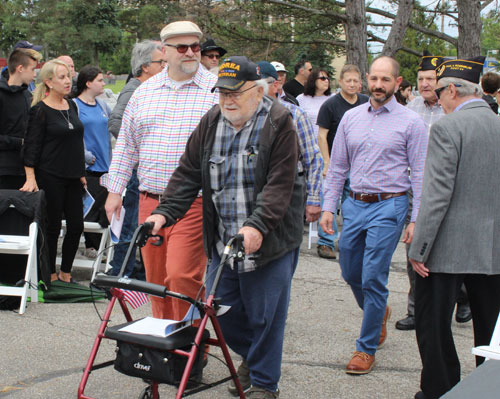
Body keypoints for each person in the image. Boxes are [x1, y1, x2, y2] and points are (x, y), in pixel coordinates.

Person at [146, 55, 304, 399]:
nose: (227, 99)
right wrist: (164, 213)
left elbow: (279, 185)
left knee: (266, 318)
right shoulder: (212, 121)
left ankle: (264, 384)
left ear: (258, 91)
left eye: (235, 92)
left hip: (269, 239)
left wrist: (257, 227)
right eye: (222, 93)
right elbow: (187, 174)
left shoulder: (278, 121)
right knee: (220, 312)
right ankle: (256, 358)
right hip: (224, 241)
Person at [101, 21, 218, 320]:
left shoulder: (216, 91)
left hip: (195, 202)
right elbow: (126, 145)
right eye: (182, 47)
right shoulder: (145, 92)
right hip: (149, 199)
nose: (191, 53)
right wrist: (114, 191)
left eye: (196, 47)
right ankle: (162, 350)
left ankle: (188, 347)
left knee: (181, 277)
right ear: (164, 52)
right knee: (155, 280)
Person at [320, 56, 428, 374]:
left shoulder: (411, 122)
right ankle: (377, 310)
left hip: (390, 205)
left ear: (397, 82)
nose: (379, 85)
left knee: (373, 276)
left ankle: (365, 348)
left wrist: (415, 218)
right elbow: (338, 166)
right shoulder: (351, 118)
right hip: (354, 204)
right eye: (375, 79)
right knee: (350, 270)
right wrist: (328, 207)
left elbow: (420, 173)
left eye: (386, 80)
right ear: (368, 78)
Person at [408, 56, 500, 399]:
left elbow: (436, 195)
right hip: (493, 246)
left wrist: (419, 248)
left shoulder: (448, 127)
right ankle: (489, 389)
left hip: (446, 247)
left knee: (433, 325)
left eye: (440, 92)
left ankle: (439, 389)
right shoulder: (497, 124)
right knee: (491, 330)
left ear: (450, 90)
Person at [396, 53, 472, 331]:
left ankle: (462, 297)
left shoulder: (451, 108)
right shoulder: (410, 108)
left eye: (430, 79)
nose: (426, 84)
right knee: (412, 247)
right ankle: (416, 310)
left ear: (441, 83)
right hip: (416, 188)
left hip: (448, 187)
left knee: (449, 247)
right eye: (421, 79)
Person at [21, 59, 85, 284]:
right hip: (50, 175)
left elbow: (77, 142)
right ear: (48, 82)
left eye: (68, 76)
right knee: (52, 227)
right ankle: (48, 275)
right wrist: (31, 177)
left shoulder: (73, 106)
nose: (68, 81)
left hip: (73, 176)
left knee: (77, 225)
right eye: (61, 77)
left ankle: (66, 273)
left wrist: (81, 173)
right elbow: (31, 145)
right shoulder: (40, 110)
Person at [106, 40, 166, 277]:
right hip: (136, 172)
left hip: (145, 172)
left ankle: (135, 273)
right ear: (145, 67)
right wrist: (143, 147)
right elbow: (115, 122)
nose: (164, 66)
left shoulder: (150, 88)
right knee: (131, 225)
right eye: (160, 62)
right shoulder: (134, 90)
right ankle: (118, 275)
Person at [257, 61, 322, 224]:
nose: (254, 91)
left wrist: (313, 199)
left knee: (287, 246)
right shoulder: (246, 117)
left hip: (290, 191)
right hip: (256, 193)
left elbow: (313, 159)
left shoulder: (295, 114)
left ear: (275, 85)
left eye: (259, 85)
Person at [316, 64, 369, 259]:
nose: (352, 84)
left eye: (356, 81)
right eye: (349, 80)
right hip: (336, 163)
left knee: (352, 206)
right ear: (341, 82)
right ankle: (325, 242)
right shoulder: (330, 105)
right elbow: (322, 136)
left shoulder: (365, 102)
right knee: (329, 203)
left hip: (358, 164)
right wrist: (327, 162)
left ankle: (348, 242)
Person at [71, 65, 112, 259]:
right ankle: (91, 246)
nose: (104, 83)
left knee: (104, 208)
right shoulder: (74, 106)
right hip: (87, 168)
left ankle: (100, 247)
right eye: (100, 80)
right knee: (91, 209)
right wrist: (83, 154)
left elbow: (112, 128)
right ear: (88, 83)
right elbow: (69, 135)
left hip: (105, 167)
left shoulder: (103, 106)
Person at [296, 68, 334, 259]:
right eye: (322, 78)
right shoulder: (301, 99)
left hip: (326, 150)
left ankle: (326, 240)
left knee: (327, 194)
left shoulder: (332, 99)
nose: (326, 81)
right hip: (306, 149)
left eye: (328, 78)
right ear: (313, 80)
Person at [0, 48, 41, 189]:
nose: (35, 75)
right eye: (32, 69)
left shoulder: (28, 96)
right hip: (4, 171)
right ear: (20, 68)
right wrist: (19, 142)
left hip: (26, 169)